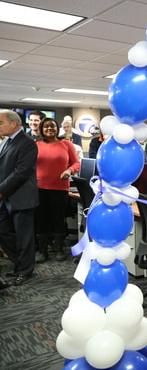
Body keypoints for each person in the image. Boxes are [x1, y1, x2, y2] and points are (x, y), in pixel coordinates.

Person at [0, 110, 39, 287]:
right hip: (6, 196)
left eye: (1, 123)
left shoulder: (27, 143)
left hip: (21, 197)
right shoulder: (7, 141)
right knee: (4, 233)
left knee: (24, 237)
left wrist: (1, 190)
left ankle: (25, 271)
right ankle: (19, 264)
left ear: (14, 123)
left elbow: (21, 173)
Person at [34, 118, 80, 263]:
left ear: (57, 128)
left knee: (58, 218)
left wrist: (69, 170)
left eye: (52, 126)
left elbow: (76, 163)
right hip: (39, 188)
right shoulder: (36, 145)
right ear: (41, 129)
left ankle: (59, 249)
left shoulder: (66, 144)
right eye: (46, 126)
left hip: (59, 188)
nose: (49, 128)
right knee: (41, 219)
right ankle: (42, 251)